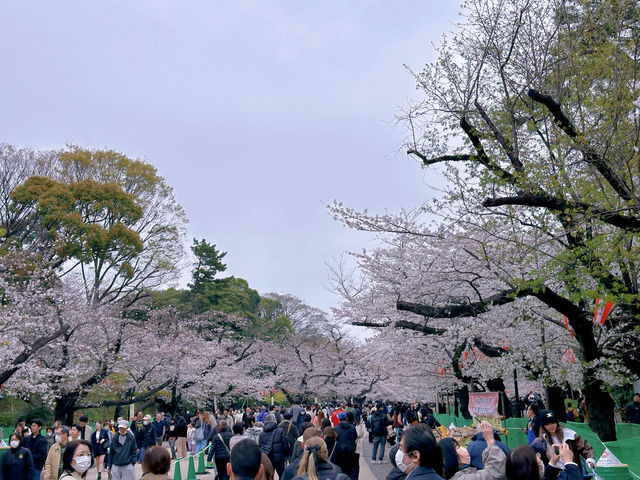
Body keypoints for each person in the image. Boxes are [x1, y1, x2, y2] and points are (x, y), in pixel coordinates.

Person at [438, 422, 506, 479]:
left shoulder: (463, 474)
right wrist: (490, 441)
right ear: (450, 456)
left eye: (459, 446)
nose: (462, 449)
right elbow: (494, 473)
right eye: (457, 448)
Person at [259, 414, 289, 479]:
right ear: (274, 420)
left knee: (269, 476)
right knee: (282, 475)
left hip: (268, 458)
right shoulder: (280, 431)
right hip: (279, 459)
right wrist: (285, 455)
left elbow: (260, 447)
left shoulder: (262, 433)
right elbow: (285, 445)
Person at [333, 412, 358, 480]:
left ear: (339, 418)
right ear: (346, 418)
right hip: (350, 451)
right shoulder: (352, 427)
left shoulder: (336, 428)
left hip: (340, 452)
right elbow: (354, 437)